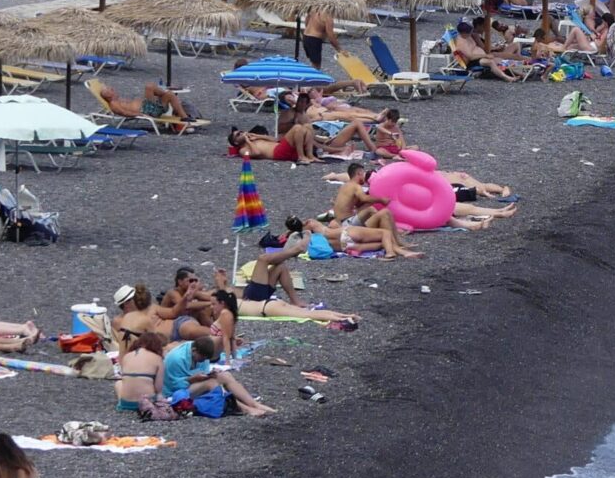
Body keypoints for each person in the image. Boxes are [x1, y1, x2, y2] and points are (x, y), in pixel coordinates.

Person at [224, 222, 358, 325]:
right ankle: (295, 250)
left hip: (260, 300)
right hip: (255, 299)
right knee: (263, 259)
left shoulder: (220, 299)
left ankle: (296, 301)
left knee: (280, 267)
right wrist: (222, 285)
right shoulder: (218, 299)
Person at [323, 163, 422, 257]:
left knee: (381, 213)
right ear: (359, 173)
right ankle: (396, 244)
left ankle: (397, 243)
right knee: (380, 212)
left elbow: (357, 204)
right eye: (363, 174)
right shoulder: (355, 186)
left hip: (344, 223)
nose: (364, 177)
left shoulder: (344, 186)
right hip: (347, 224)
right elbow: (364, 198)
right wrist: (381, 199)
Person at [162, 333, 274, 416]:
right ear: (194, 350)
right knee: (212, 383)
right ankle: (244, 408)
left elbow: (204, 370)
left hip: (191, 384)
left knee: (225, 376)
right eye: (202, 358)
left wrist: (209, 374)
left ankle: (253, 404)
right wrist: (192, 379)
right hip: (175, 393)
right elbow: (172, 385)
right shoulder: (176, 359)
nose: (203, 360)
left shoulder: (201, 353)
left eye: (206, 358)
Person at [99, 81, 199, 131]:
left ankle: (185, 117)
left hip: (149, 107)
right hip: (147, 110)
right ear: (109, 96)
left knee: (169, 94)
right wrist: (140, 115)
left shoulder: (117, 100)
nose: (113, 89)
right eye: (110, 90)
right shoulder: (114, 104)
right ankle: (162, 92)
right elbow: (124, 113)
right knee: (150, 86)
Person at [114, 329, 165, 414]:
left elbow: (125, 378)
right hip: (147, 403)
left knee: (119, 383)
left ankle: (121, 403)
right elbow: (158, 388)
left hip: (126, 404)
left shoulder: (127, 356)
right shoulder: (157, 358)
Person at [227, 124, 318, 164]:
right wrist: (248, 141)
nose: (242, 133)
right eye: (238, 134)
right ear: (236, 142)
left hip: (280, 147)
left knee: (307, 126)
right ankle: (301, 157)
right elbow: (257, 152)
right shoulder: (242, 150)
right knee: (297, 127)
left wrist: (258, 136)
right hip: (277, 153)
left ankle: (310, 156)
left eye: (241, 131)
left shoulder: (254, 140)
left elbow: (275, 140)